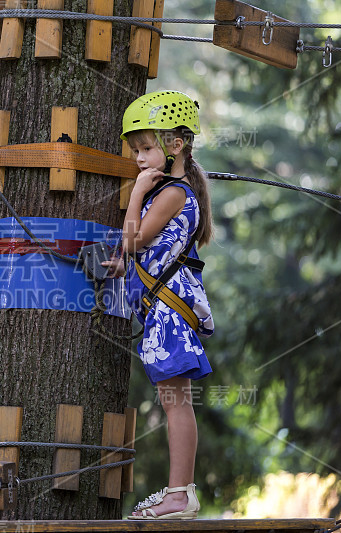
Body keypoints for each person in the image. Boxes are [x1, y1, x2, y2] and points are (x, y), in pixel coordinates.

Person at [103, 90, 214, 520]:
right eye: (135, 150)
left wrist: (135, 195)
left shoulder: (171, 192)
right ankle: (177, 492)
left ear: (175, 146)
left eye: (146, 148)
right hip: (161, 310)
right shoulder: (170, 191)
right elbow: (145, 249)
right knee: (173, 398)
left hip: (169, 313)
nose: (138, 159)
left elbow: (133, 238)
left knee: (175, 400)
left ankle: (179, 494)